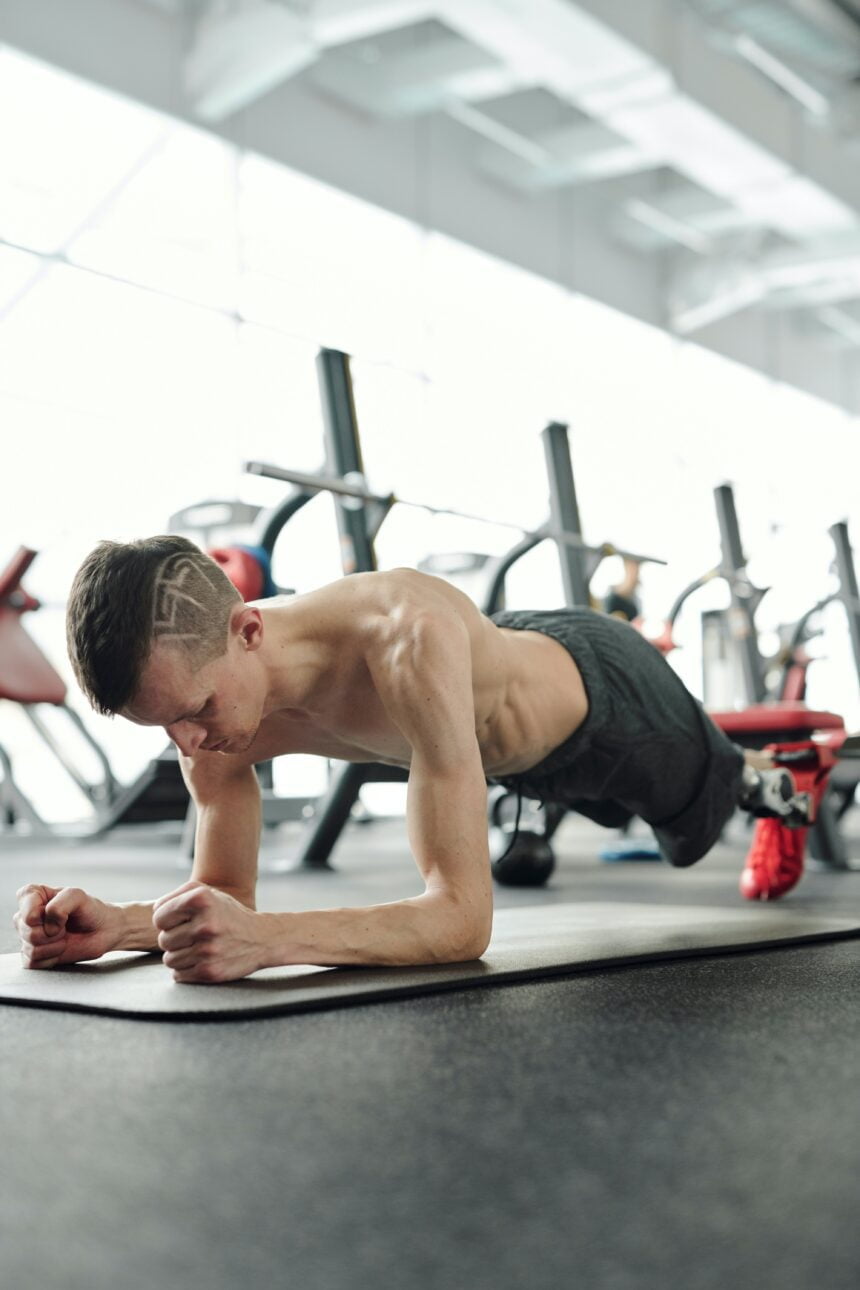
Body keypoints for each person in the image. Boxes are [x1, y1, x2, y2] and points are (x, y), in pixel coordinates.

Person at [13, 537, 832, 984]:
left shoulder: (405, 637)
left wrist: (265, 943)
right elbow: (223, 895)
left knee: (710, 799)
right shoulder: (209, 708)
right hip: (495, 745)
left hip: (604, 702)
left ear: (249, 629)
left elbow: (460, 920)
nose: (188, 746)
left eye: (194, 714)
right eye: (165, 728)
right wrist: (117, 926)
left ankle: (784, 778)